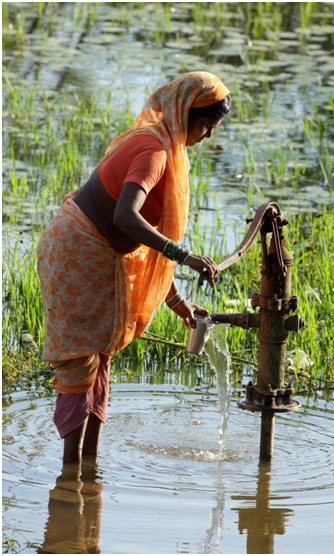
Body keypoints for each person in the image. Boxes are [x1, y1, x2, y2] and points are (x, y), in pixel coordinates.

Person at [37, 71, 232, 462]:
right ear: (185, 113)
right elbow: (127, 217)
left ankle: (86, 466)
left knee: (101, 357)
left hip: (103, 257)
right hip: (79, 253)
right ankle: (70, 476)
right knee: (82, 362)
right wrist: (184, 255)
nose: (207, 137)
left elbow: (144, 248)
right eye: (206, 126)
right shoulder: (154, 151)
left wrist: (180, 304)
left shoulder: (169, 152)